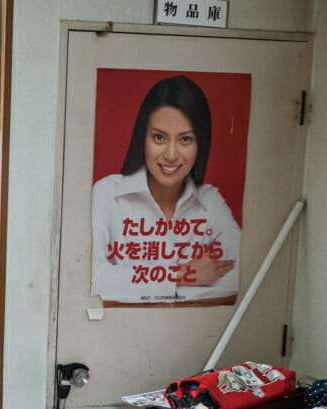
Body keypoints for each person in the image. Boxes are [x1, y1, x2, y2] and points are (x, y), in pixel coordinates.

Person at [91, 74, 241, 304]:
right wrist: (182, 274)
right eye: (159, 137)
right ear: (143, 138)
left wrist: (138, 292)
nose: (171, 155)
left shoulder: (210, 201)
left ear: (200, 143)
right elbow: (92, 279)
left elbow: (240, 278)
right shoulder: (107, 194)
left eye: (185, 140)